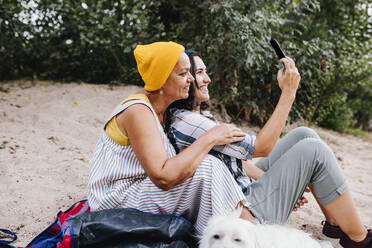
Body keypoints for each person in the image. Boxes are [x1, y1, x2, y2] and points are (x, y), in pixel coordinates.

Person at [165, 50, 372, 248]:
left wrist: (278, 181)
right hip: (241, 213)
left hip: (239, 188)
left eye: (205, 72)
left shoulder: (199, 118)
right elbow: (262, 147)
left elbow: (240, 163)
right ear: (186, 79)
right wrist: (289, 92)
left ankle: (335, 226)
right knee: (314, 150)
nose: (207, 78)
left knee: (303, 135)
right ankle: (358, 238)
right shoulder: (191, 123)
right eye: (199, 73)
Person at [88, 41, 253, 236]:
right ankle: (245, 234)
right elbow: (163, 177)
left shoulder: (161, 109)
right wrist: (210, 137)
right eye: (183, 74)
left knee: (208, 165)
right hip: (116, 199)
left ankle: (238, 233)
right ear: (161, 80)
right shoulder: (138, 111)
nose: (191, 79)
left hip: (139, 189)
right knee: (208, 168)